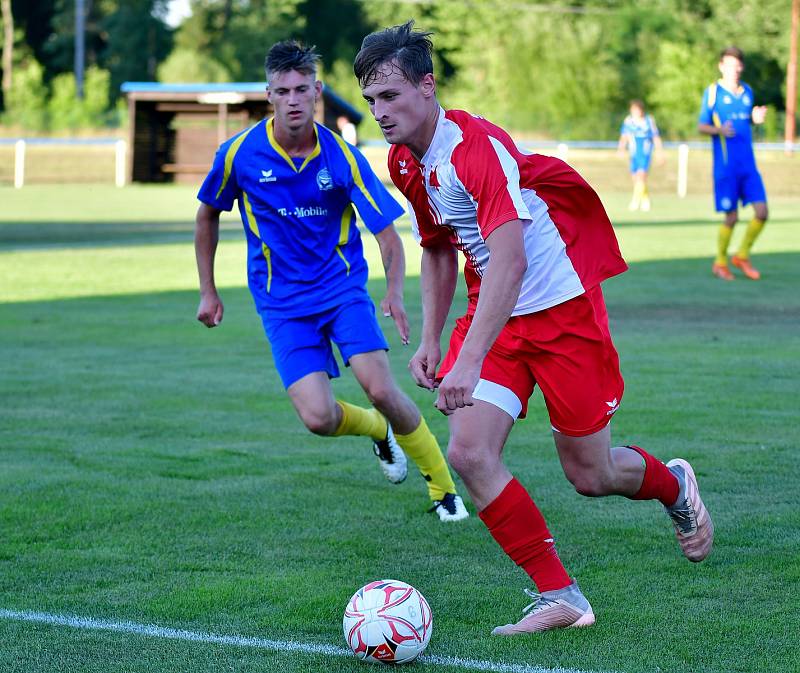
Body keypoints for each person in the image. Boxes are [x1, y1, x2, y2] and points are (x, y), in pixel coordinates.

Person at [354, 21, 714, 635]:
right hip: (495, 312)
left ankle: (673, 483)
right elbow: (440, 247)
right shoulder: (403, 162)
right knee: (468, 452)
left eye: (390, 97)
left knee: (590, 474)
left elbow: (513, 260)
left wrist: (468, 361)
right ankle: (561, 595)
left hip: (561, 313)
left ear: (427, 86)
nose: (380, 113)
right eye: (371, 102)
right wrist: (439, 340)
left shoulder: (476, 149)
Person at [194, 39, 467, 522]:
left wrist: (394, 293)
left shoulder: (341, 156)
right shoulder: (239, 154)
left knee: (381, 388)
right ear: (270, 95)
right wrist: (209, 290)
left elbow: (387, 234)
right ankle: (378, 433)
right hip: (280, 303)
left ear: (318, 91)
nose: (294, 99)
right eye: (283, 90)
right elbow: (207, 215)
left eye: (303, 89)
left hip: (342, 292)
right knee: (318, 418)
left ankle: (443, 489)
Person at [698, 46, 768, 281]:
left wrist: (754, 119)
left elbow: (746, 120)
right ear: (721, 66)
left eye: (738, 65)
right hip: (726, 167)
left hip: (748, 166)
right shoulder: (712, 93)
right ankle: (720, 262)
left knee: (762, 212)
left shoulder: (747, 91)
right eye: (730, 65)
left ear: (742, 67)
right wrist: (718, 130)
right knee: (732, 217)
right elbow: (701, 126)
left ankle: (742, 255)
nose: (734, 70)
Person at [617, 99, 664, 212]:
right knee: (635, 178)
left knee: (641, 176)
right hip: (633, 154)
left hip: (645, 153)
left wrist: (660, 152)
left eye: (636, 109)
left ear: (641, 110)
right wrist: (621, 149)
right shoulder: (628, 121)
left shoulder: (649, 120)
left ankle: (635, 201)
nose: (634, 112)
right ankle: (645, 199)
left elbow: (656, 137)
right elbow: (624, 136)